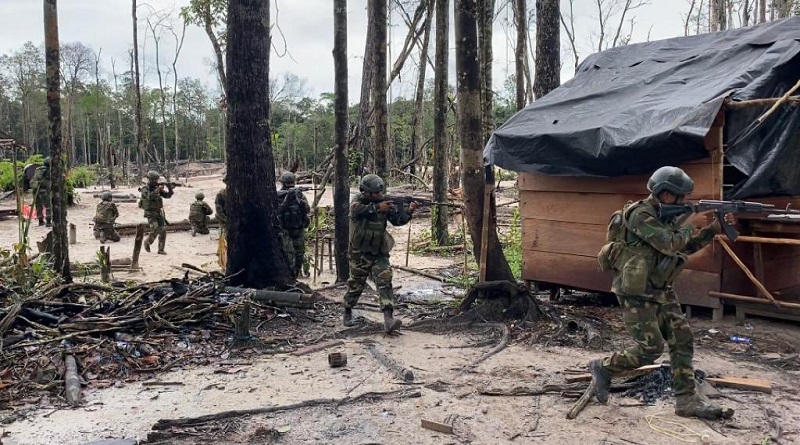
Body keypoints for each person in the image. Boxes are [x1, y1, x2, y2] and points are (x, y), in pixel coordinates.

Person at [590, 166, 735, 420]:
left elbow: (683, 247)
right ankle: (604, 367)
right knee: (650, 348)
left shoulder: (667, 216)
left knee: (682, 339)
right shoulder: (639, 215)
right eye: (680, 197)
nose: (683, 202)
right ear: (665, 194)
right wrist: (691, 225)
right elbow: (668, 243)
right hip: (635, 291)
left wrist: (712, 229)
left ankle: (687, 401)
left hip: (661, 288)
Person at [342, 174, 420, 332]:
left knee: (385, 281)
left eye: (379, 193)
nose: (379, 196)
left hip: (378, 251)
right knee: (356, 284)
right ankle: (347, 310)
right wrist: (377, 207)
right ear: (366, 192)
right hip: (360, 252)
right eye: (375, 194)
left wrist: (409, 211)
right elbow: (355, 210)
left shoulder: (385, 203)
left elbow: (397, 221)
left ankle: (388, 318)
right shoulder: (358, 201)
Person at [276, 172, 311, 278]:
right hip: (285, 230)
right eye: (288, 183)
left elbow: (307, 210)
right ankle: (288, 277)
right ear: (283, 183)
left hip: (298, 228)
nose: (291, 184)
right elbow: (278, 211)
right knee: (288, 255)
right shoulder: (279, 196)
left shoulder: (300, 195)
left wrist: (299, 199)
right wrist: (287, 198)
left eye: (292, 183)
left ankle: (295, 276)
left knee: (299, 255)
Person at [138, 170, 174, 255]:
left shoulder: (155, 188)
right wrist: (158, 189)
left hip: (158, 212)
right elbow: (149, 197)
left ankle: (161, 249)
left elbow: (167, 196)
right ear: (149, 179)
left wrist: (170, 188)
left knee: (163, 230)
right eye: (153, 180)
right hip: (150, 213)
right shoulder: (144, 188)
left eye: (156, 180)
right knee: (155, 228)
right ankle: (147, 242)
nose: (155, 181)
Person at [32, 158, 52, 227]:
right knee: (48, 206)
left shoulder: (38, 169)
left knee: (38, 206)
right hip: (44, 190)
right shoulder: (48, 170)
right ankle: (48, 222)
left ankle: (40, 221)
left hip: (35, 190)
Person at [215, 173, 228, 270]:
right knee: (224, 244)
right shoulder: (221, 194)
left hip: (237, 223)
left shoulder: (241, 193)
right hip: (226, 224)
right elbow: (219, 211)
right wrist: (227, 222)